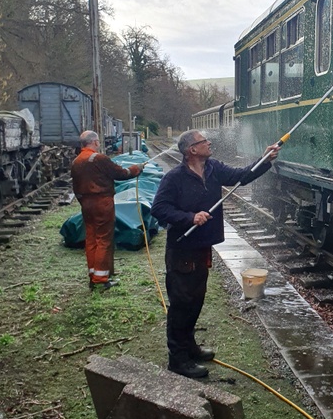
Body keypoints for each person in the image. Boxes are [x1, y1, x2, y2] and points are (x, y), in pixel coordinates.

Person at [151, 130, 279, 379]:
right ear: (192, 150)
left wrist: (266, 159)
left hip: (202, 247)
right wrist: (190, 217)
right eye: (203, 141)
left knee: (196, 300)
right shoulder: (174, 178)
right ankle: (177, 359)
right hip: (181, 249)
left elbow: (242, 176)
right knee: (181, 305)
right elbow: (159, 208)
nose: (209, 143)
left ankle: (190, 347)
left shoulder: (213, 169)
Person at [71, 130, 144, 290]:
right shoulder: (99, 159)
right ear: (95, 142)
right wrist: (136, 169)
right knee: (103, 239)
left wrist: (83, 201)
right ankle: (101, 278)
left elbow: (75, 186)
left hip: (86, 204)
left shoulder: (77, 161)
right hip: (102, 203)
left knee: (91, 238)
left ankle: (93, 274)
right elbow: (121, 174)